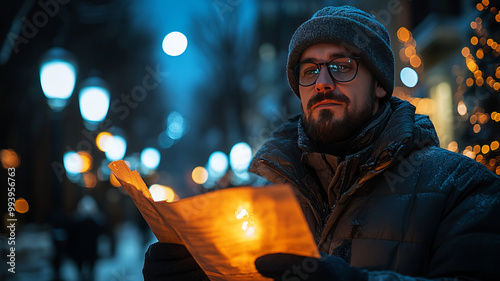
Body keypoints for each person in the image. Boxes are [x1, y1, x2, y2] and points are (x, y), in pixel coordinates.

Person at [142, 5, 500, 281]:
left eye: (341, 65)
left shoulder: (462, 189)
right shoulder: (265, 198)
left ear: (379, 84)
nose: (322, 83)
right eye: (309, 71)